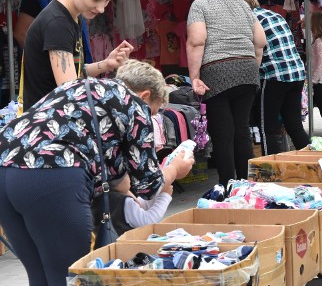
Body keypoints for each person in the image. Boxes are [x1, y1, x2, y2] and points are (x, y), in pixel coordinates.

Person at [0, 60, 195, 286]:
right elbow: (148, 185)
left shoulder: (80, 89)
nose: (151, 118)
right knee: (71, 277)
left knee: (41, 276)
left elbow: (116, 176)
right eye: (154, 111)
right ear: (145, 96)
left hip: (5, 168)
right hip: (52, 174)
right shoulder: (134, 105)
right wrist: (173, 170)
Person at [22, 0, 133, 111]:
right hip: (44, 128)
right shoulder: (58, 24)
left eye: (108, 1)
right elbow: (71, 92)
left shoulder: (72, 15)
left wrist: (106, 64)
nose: (101, 9)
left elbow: (73, 72)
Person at [186, 0, 266, 187]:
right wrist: (251, 68)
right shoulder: (241, 3)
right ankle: (247, 185)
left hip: (216, 73)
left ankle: (228, 186)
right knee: (241, 130)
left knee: (223, 134)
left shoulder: (199, 5)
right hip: (248, 70)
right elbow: (260, 41)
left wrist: (194, 77)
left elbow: (196, 41)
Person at [233, 0, 309, 153]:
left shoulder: (248, 19)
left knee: (267, 127)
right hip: (296, 72)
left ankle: (270, 171)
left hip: (274, 74)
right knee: (294, 124)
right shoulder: (273, 15)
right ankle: (313, 160)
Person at [92, 172, 174, 236]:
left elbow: (138, 211)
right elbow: (147, 220)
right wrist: (165, 196)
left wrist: (158, 193)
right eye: (127, 175)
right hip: (126, 246)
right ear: (118, 180)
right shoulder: (121, 201)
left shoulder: (104, 197)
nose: (130, 178)